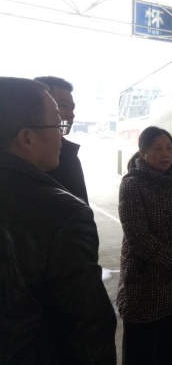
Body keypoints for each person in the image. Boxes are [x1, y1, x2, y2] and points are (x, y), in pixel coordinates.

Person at [0, 77, 117, 364]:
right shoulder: (65, 214)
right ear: (27, 138)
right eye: (56, 124)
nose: (62, 134)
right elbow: (88, 331)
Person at [117, 126, 172, 365]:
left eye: (169, 148)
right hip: (144, 284)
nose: (165, 154)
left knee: (171, 351)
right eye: (157, 148)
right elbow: (138, 236)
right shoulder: (132, 184)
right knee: (140, 354)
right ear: (143, 153)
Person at [35, 76, 89, 204]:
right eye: (63, 106)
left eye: (72, 108)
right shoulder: (30, 158)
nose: (71, 114)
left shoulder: (69, 154)